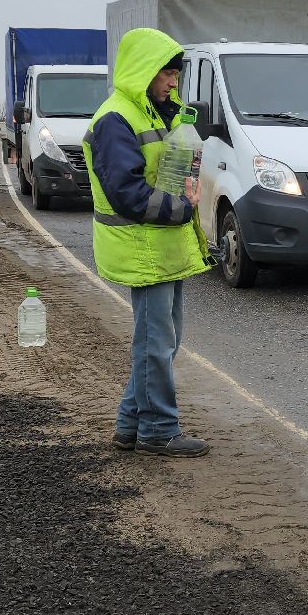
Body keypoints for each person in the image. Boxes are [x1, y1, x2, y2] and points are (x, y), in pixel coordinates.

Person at [83, 28, 215, 457]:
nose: (174, 81)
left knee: (163, 342)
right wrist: (182, 208)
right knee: (154, 344)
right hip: (141, 245)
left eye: (176, 73)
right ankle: (158, 429)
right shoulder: (115, 119)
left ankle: (129, 424)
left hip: (163, 245)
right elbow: (128, 194)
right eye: (166, 73)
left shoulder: (160, 112)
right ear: (143, 72)